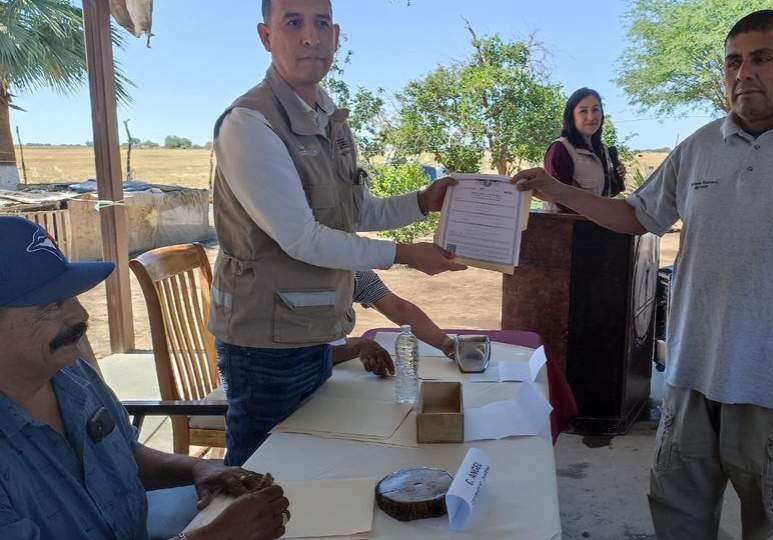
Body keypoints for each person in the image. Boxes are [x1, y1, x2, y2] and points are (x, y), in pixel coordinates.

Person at [514, 10, 773, 539]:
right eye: (733, 62)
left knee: (771, 523)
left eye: (762, 59)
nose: (744, 74)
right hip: (691, 375)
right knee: (677, 516)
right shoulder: (699, 146)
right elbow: (637, 216)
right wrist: (557, 192)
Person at [210, 0, 465, 466]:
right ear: (267, 37)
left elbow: (353, 211)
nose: (310, 36)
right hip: (265, 343)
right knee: (259, 477)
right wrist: (406, 254)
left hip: (316, 330)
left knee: (310, 469)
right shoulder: (250, 123)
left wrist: (422, 202)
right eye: (293, 22)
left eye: (321, 23)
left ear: (336, 35)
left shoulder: (328, 118)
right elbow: (302, 238)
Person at [0, 217, 290, 540]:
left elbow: (124, 454)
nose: (80, 317)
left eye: (72, 297)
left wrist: (197, 469)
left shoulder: (72, 375)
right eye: (51, 306)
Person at [332, 270, 456, 377]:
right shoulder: (314, 281)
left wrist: (444, 342)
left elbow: (400, 309)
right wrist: (355, 346)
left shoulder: (355, 275)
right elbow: (313, 351)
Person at [543, 88, 627, 212]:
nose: (591, 116)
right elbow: (559, 198)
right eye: (583, 111)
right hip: (568, 227)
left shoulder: (603, 150)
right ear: (571, 116)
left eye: (595, 110)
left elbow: (605, 194)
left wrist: (616, 178)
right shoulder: (560, 149)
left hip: (598, 223)